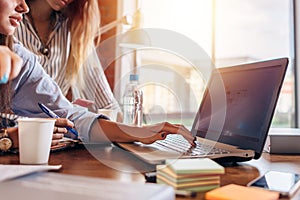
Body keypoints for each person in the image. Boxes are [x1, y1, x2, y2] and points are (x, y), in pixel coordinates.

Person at [0, 0, 195, 151]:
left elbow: (69, 114)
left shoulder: (21, 57)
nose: (23, 7)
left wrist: (138, 131)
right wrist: (8, 138)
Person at [14, 0, 122, 120]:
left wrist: (131, 130)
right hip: (12, 132)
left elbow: (107, 104)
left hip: (56, 132)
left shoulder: (76, 28)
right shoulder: (9, 20)